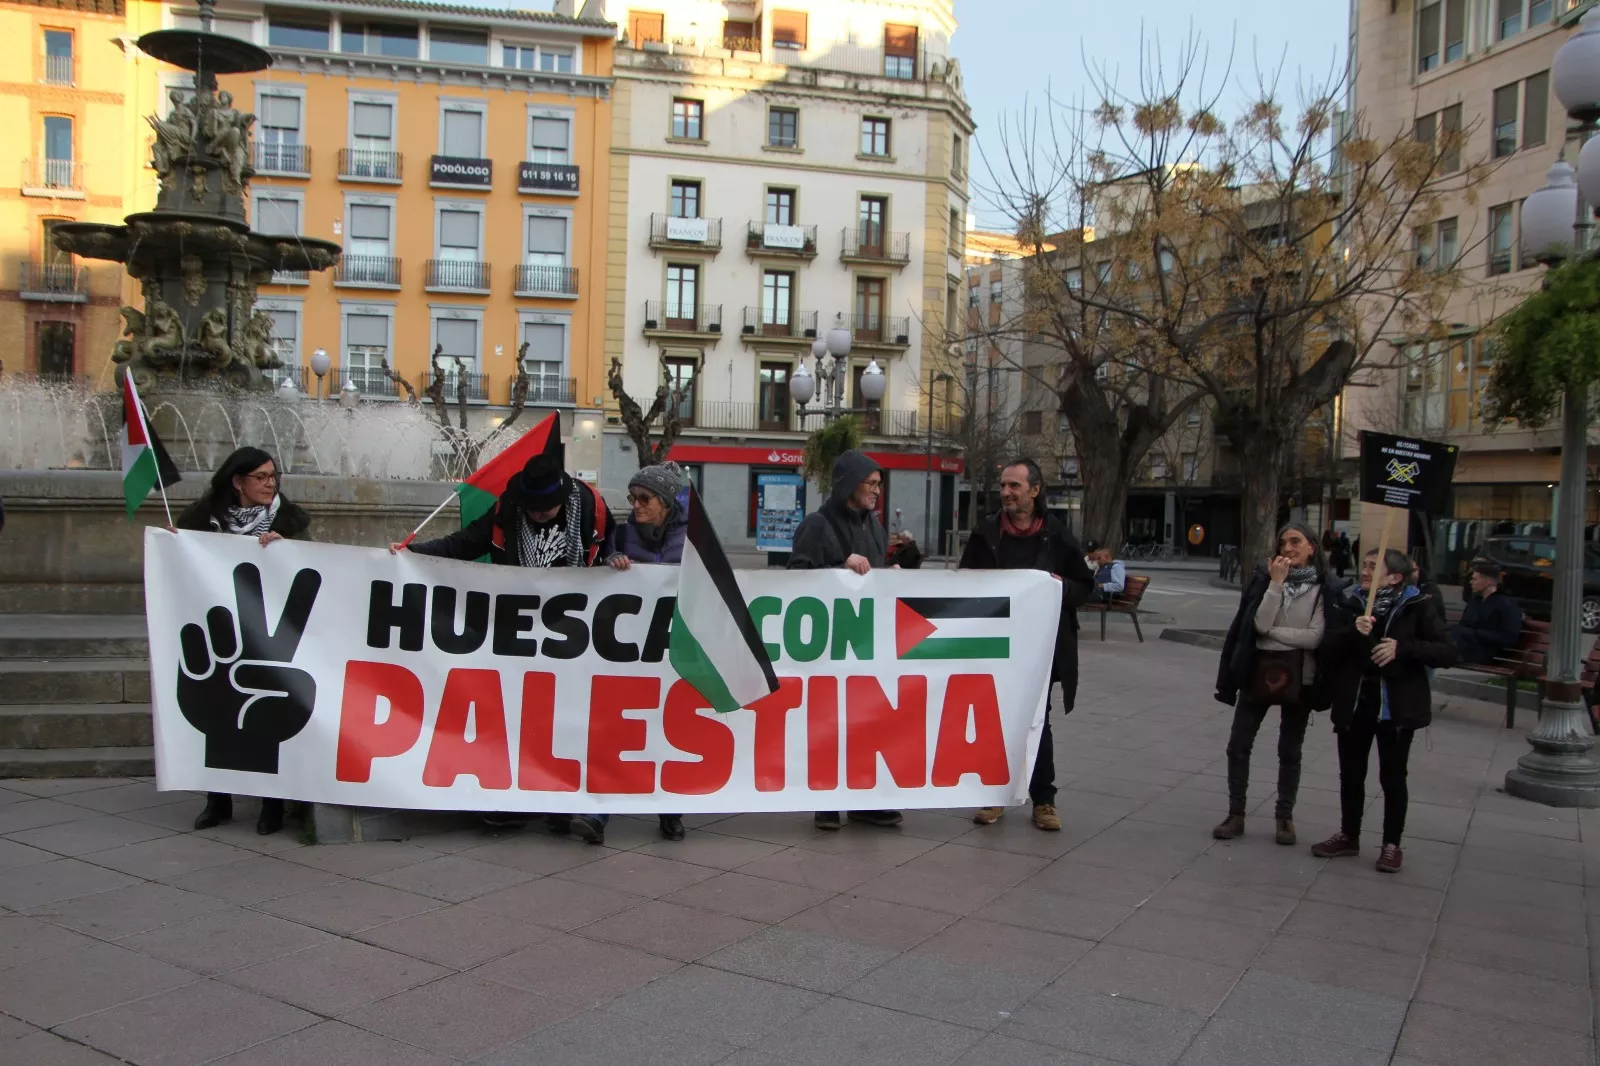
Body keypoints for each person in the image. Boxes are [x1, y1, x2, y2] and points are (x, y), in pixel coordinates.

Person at [395, 447, 615, 839]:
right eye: (533, 509)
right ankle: (520, 798)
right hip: (520, 633)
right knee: (522, 714)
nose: (539, 515)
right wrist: (411, 553)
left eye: (547, 509)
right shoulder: (507, 510)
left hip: (578, 634)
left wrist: (619, 562)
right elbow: (462, 545)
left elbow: (613, 547)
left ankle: (578, 802)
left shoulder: (589, 506)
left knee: (576, 715)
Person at [176, 446, 311, 836]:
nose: (271, 484)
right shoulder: (203, 520)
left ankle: (272, 802)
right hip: (218, 629)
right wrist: (175, 543)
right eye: (262, 477)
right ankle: (217, 799)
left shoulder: (289, 520)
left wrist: (286, 547)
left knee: (266, 709)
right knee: (218, 707)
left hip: (268, 630)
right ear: (238, 481)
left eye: (274, 477)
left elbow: (309, 562)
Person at [960, 459, 1095, 831]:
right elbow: (963, 583)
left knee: (1038, 720)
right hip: (996, 645)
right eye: (1003, 485)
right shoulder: (986, 532)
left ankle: (1044, 801)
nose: (1005, 493)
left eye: (1014, 486)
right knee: (997, 721)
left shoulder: (1057, 534)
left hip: (1041, 648)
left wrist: (1058, 587)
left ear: (1034, 491)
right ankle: (996, 796)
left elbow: (1085, 587)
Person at [1312, 549, 1457, 873]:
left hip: (1395, 706)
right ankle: (1349, 835)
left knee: (1392, 776)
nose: (1365, 571)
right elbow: (1326, 649)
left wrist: (1401, 648)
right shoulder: (1351, 602)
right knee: (1351, 773)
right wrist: (1354, 632)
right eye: (1364, 564)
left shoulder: (1417, 606)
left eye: (1374, 567)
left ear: (1395, 577)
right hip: (1355, 702)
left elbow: (1447, 651)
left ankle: (1392, 844)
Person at [789, 450, 908, 830]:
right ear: (849, 485)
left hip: (862, 643)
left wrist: (890, 574)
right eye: (870, 484)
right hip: (826, 646)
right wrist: (838, 569)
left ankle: (862, 800)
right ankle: (826, 798)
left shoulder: (874, 526)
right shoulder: (817, 525)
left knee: (863, 722)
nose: (876, 491)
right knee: (828, 721)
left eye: (879, 484)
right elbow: (796, 580)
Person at [1213, 522, 1346, 846]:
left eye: (1296, 542)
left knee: (1290, 749)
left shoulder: (1325, 586)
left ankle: (1284, 817)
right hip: (1257, 674)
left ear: (1312, 547)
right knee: (1238, 745)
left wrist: (1271, 634)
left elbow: (1314, 636)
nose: (1288, 548)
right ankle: (1236, 813)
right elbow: (1257, 622)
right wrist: (1275, 585)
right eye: (1283, 543)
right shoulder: (1264, 579)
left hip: (1302, 677)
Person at [606, 461, 690, 841]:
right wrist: (611, 564)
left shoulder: (694, 539)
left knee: (669, 728)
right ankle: (600, 813)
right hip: (627, 650)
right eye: (632, 498)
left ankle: (670, 811)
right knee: (617, 729)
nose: (635, 505)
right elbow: (597, 570)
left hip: (672, 650)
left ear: (667, 503)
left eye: (644, 498)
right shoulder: (622, 535)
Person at [1452, 558, 1524, 665]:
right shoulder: (1475, 601)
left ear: (1487, 582)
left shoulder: (1507, 605)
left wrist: (1475, 634)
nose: (1471, 583)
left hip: (1486, 652)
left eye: (1475, 579)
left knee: (1433, 653)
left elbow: (1508, 638)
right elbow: (1463, 625)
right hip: (1465, 645)